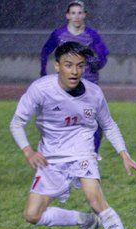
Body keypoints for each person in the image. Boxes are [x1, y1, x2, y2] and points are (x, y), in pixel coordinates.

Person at [10, 42, 136, 229]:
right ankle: (86, 221)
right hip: (50, 157)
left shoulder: (93, 93)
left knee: (96, 200)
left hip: (82, 152)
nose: (74, 71)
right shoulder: (40, 89)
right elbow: (17, 122)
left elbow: (109, 124)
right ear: (57, 66)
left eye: (80, 66)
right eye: (68, 65)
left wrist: (124, 154)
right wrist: (28, 151)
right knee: (32, 215)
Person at [40, 0, 110, 153]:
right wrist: (43, 73)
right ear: (67, 15)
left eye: (79, 13)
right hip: (66, 86)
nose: (76, 16)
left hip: (89, 85)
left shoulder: (91, 35)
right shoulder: (59, 34)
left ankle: (91, 153)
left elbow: (104, 54)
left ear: (84, 15)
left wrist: (95, 63)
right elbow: (45, 51)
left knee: (97, 123)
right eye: (73, 13)